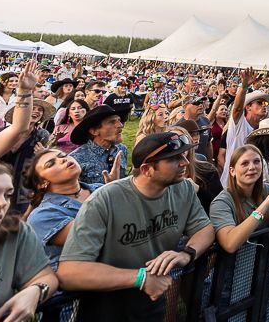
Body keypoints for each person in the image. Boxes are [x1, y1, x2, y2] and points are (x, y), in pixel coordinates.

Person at [56, 132, 215, 321]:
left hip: (152, 307)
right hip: (105, 312)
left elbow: (205, 229)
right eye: (174, 159)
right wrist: (141, 278)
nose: (185, 163)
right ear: (147, 169)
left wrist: (186, 254)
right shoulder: (104, 200)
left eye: (183, 156)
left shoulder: (183, 188)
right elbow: (70, 272)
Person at [0, 163, 58, 320]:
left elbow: (45, 277)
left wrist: (36, 291)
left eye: (7, 195)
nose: (2, 204)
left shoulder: (14, 232)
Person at [210, 145, 269, 253]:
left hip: (264, 259)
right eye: (245, 163)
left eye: (256, 162)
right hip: (235, 266)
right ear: (232, 171)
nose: (252, 167)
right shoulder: (221, 202)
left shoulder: (267, 189)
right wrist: (267, 202)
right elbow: (230, 244)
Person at [22, 148, 104, 268]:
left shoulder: (100, 189)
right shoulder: (42, 216)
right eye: (51, 164)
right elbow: (93, 234)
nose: (63, 160)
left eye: (63, 155)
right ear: (42, 183)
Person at [220, 68, 269, 185]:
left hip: (251, 183)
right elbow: (237, 108)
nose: (264, 106)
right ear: (248, 107)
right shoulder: (240, 124)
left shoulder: (261, 129)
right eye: (259, 103)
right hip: (232, 184)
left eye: (265, 104)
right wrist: (243, 87)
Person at [68, 105, 127, 185]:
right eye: (112, 122)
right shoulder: (76, 159)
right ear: (94, 131)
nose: (120, 125)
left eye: (119, 120)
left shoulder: (121, 150)